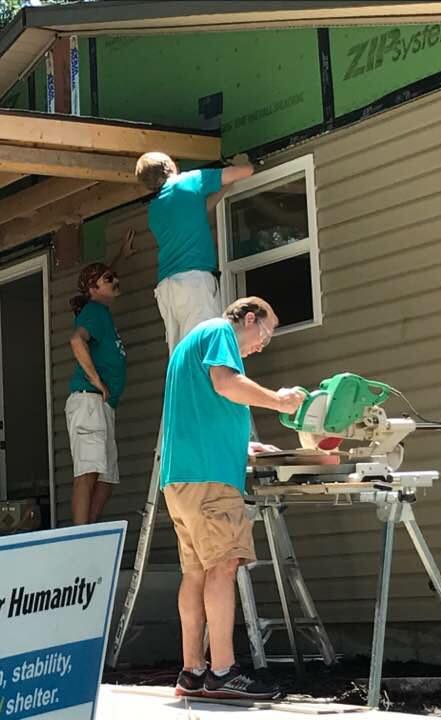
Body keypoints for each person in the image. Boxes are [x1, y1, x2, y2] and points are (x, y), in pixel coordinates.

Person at [161, 296, 304, 700]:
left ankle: (192, 671)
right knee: (223, 569)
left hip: (182, 479)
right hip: (209, 482)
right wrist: (278, 400)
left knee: (196, 574)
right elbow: (225, 384)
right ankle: (222, 672)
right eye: (266, 331)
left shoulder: (194, 343)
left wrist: (242, 449)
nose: (264, 343)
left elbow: (201, 412)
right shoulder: (220, 331)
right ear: (249, 317)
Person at [135, 151, 255, 352]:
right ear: (169, 165)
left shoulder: (155, 209)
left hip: (167, 288)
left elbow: (201, 207)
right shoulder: (189, 181)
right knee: (204, 347)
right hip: (193, 282)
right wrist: (242, 164)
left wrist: (226, 187)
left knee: (181, 354)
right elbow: (246, 171)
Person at [65, 231, 135, 525]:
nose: (115, 280)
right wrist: (96, 380)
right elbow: (76, 341)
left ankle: (90, 534)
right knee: (89, 472)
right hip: (89, 402)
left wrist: (120, 254)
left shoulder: (99, 308)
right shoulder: (94, 312)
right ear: (94, 289)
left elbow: (99, 276)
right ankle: (81, 538)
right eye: (109, 279)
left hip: (102, 406)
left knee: (106, 478)